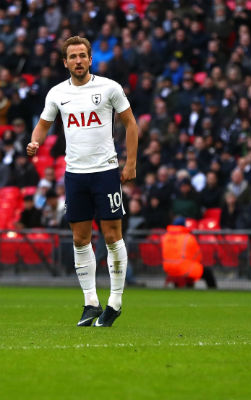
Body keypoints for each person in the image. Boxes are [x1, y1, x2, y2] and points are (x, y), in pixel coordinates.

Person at [26, 36, 138, 328]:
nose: (77, 61)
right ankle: (90, 303)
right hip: (75, 174)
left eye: (82, 56)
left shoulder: (109, 88)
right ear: (65, 62)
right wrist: (35, 142)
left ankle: (115, 302)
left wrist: (131, 163)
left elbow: (130, 123)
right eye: (72, 56)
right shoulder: (56, 94)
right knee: (79, 238)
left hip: (105, 172)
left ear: (90, 59)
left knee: (112, 235)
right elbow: (44, 123)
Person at [160, 217, 217, 289]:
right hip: (183, 268)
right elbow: (198, 256)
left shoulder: (165, 237)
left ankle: (182, 287)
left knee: (188, 269)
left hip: (168, 268)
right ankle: (213, 291)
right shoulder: (188, 237)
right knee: (208, 273)